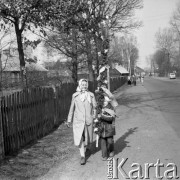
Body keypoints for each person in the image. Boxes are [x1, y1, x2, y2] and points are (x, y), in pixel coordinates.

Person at [67, 79, 97, 165]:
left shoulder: (91, 95)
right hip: (78, 121)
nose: (84, 86)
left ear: (87, 85)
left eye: (85, 84)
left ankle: (88, 148)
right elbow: (71, 109)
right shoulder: (75, 96)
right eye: (82, 84)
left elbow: (95, 107)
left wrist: (95, 116)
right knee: (79, 138)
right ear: (80, 85)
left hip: (88, 120)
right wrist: (69, 120)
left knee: (89, 138)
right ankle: (82, 156)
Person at [98, 86, 117, 161]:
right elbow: (96, 116)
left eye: (106, 99)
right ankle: (104, 155)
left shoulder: (111, 107)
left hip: (109, 127)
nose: (104, 101)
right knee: (102, 141)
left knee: (110, 141)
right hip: (101, 127)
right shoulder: (99, 107)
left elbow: (111, 118)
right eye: (103, 99)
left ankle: (111, 150)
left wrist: (102, 116)